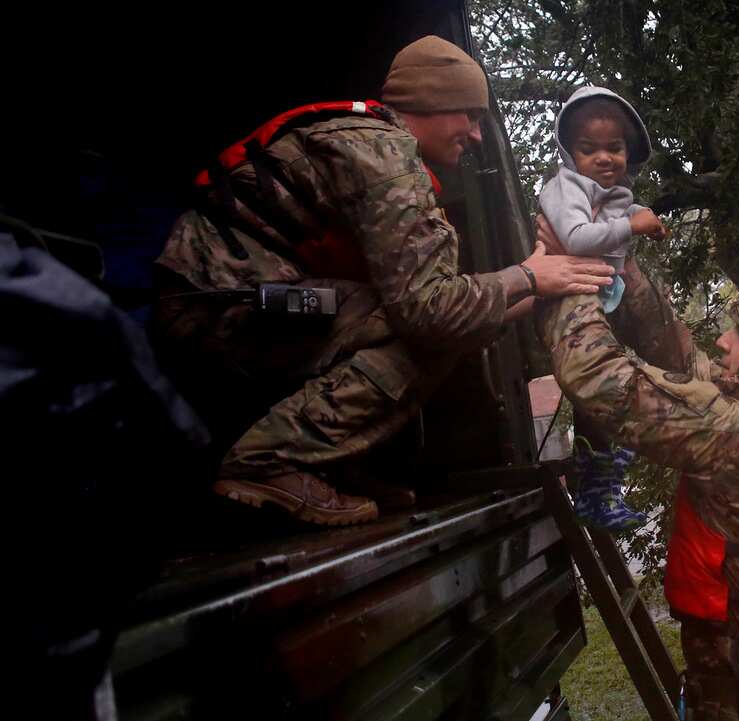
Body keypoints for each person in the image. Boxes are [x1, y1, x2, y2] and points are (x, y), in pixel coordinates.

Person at [151, 35, 615, 526]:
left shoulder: (375, 144)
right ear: (433, 103)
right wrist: (527, 275)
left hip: (231, 297)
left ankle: (329, 464)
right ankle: (272, 461)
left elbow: (451, 301)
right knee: (425, 332)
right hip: (218, 303)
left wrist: (539, 288)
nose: (477, 134)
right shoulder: (386, 157)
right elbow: (430, 312)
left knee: (436, 319)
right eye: (470, 115)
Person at [536, 223, 739, 720]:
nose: (723, 342)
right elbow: (683, 361)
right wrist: (627, 270)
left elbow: (599, 378)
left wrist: (566, 275)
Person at [538, 86, 666, 532]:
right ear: (570, 153)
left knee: (626, 375)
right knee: (596, 390)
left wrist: (642, 216)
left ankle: (608, 468)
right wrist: (632, 224)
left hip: (603, 296)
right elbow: (574, 237)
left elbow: (627, 212)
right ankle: (596, 488)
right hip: (570, 300)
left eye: (615, 148)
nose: (604, 158)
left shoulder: (611, 192)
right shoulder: (565, 188)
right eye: (588, 149)